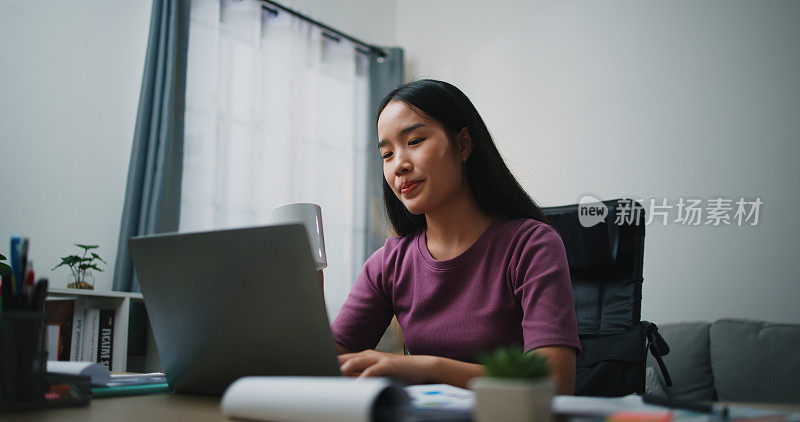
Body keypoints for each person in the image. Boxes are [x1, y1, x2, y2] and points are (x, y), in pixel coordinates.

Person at [330, 79, 581, 394]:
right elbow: (328, 366)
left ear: (463, 144)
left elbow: (554, 382)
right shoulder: (390, 262)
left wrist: (429, 368)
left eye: (416, 140)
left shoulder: (531, 245)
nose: (399, 166)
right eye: (387, 153)